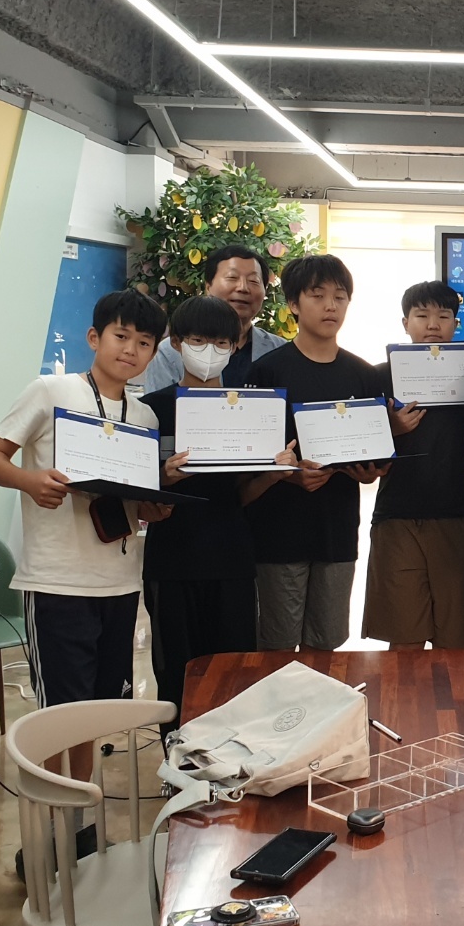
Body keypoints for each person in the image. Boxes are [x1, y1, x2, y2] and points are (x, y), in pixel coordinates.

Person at [0, 290, 172, 716]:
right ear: (94, 338)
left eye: (144, 342)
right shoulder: (50, 391)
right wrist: (30, 481)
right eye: (121, 336)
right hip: (57, 582)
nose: (131, 349)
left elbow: (132, 499)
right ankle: (61, 766)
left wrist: (151, 510)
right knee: (62, 713)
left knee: (102, 708)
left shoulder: (145, 417)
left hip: (121, 583)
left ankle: (88, 766)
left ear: (154, 353)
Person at [140, 295, 297, 719]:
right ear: (176, 343)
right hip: (172, 562)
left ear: (235, 345)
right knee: (176, 671)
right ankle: (178, 754)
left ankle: (228, 753)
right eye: (198, 341)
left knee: (234, 671)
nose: (209, 351)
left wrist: (273, 473)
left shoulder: (249, 410)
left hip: (232, 558)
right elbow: (134, 492)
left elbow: (239, 495)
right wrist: (164, 477)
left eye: (221, 343)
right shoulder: (152, 410)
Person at [245, 254, 386, 651]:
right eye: (318, 295)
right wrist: (292, 476)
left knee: (327, 645)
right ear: (293, 303)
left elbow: (372, 450)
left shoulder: (363, 374)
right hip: (279, 530)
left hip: (336, 529)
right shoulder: (267, 372)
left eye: (340, 297)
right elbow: (252, 456)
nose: (330, 306)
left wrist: (369, 471)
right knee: (277, 644)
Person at [363, 281, 464, 650]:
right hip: (397, 517)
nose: (433, 325)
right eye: (422, 315)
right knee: (404, 642)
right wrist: (391, 429)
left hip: (459, 514)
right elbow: (361, 449)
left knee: (457, 643)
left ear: (455, 324)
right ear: (405, 323)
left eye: (443, 316)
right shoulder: (378, 377)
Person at [139, 244, 285, 392]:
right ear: (208, 287)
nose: (243, 288)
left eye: (253, 281)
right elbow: (158, 403)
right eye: (232, 277)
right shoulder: (170, 351)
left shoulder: (280, 350)